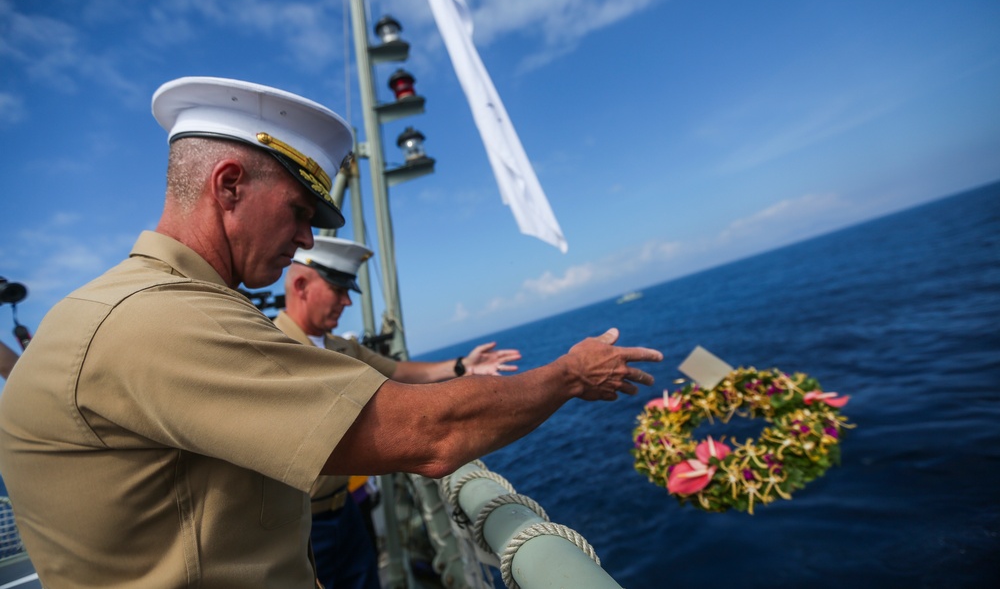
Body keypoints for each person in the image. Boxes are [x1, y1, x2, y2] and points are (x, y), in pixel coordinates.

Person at [0, 76, 661, 588]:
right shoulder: (160, 318)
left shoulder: (131, 306)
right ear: (229, 186)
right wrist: (570, 373)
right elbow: (428, 435)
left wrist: (463, 370)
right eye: (298, 208)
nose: (309, 238)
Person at [276, 236, 520, 589]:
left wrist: (462, 365)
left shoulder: (341, 347)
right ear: (301, 284)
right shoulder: (272, 348)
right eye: (338, 288)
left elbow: (399, 372)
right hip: (298, 525)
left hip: (347, 513)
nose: (346, 300)